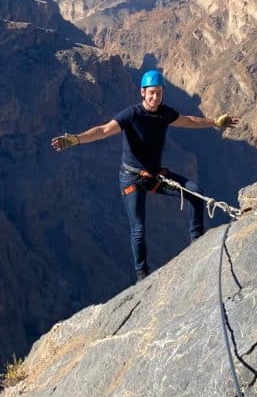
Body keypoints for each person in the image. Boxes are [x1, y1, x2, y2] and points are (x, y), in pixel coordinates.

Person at [51, 69, 239, 282]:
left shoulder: (164, 113)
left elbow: (189, 121)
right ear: (142, 92)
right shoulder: (131, 115)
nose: (155, 97)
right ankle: (142, 275)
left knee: (195, 192)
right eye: (151, 93)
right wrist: (76, 139)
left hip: (154, 176)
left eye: (158, 93)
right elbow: (103, 130)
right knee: (138, 228)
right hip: (131, 179)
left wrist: (215, 122)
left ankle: (197, 240)